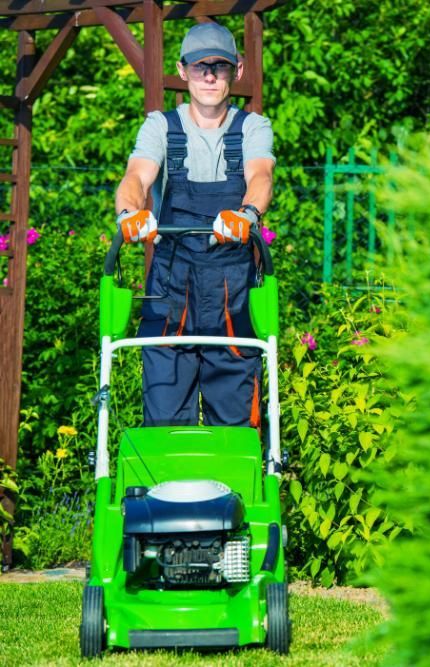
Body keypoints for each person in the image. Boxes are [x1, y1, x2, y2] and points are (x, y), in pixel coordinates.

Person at [114, 22, 275, 429]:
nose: (209, 76)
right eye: (200, 66)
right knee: (166, 426)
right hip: (169, 303)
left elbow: (261, 178)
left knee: (237, 429)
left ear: (236, 71)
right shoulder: (161, 126)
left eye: (219, 67)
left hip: (232, 305)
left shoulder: (253, 127)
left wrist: (246, 215)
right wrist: (130, 214)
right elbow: (136, 177)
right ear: (182, 70)